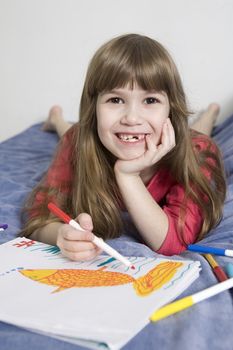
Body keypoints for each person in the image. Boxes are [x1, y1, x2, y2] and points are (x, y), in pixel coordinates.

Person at [21, 34, 226, 260]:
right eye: (115, 100)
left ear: (171, 109)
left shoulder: (198, 152)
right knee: (69, 132)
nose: (131, 118)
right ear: (94, 108)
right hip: (84, 132)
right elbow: (39, 217)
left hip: (187, 140)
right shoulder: (78, 139)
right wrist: (61, 234)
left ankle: (210, 113)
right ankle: (57, 119)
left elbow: (173, 243)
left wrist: (127, 175)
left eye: (150, 100)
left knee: (197, 132)